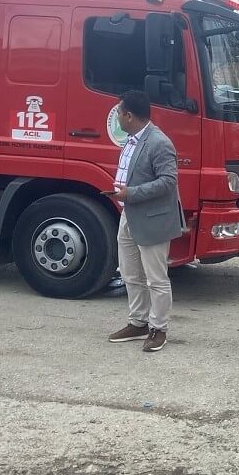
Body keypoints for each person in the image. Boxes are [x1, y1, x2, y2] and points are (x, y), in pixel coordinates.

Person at [106, 90, 184, 353]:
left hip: (152, 219)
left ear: (129, 115)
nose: (116, 116)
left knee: (156, 278)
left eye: (118, 112)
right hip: (129, 215)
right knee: (129, 273)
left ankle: (158, 328)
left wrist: (131, 193)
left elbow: (168, 182)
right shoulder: (130, 139)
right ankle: (137, 322)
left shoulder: (159, 142)